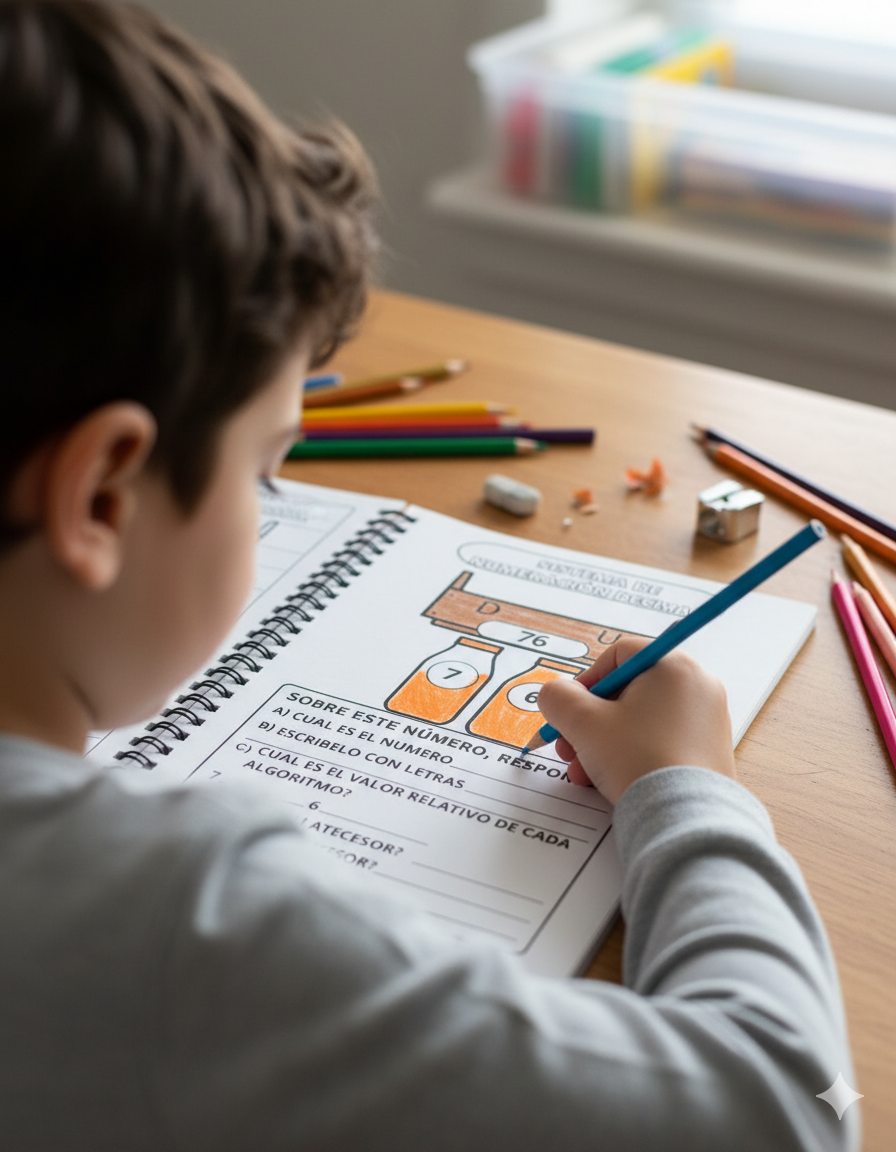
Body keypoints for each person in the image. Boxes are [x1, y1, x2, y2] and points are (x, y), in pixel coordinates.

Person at [0, 2, 858, 1149]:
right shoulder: (175, 931)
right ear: (103, 496)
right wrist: (687, 789)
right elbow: (773, 1112)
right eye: (267, 472)